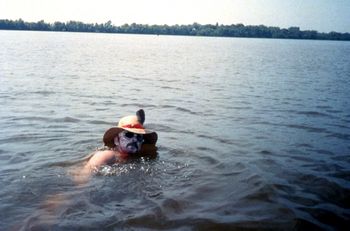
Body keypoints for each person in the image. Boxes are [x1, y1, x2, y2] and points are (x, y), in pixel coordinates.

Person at [75, 109, 158, 182]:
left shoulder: (135, 155)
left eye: (139, 136)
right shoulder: (107, 155)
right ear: (116, 140)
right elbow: (82, 179)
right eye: (129, 135)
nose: (134, 140)